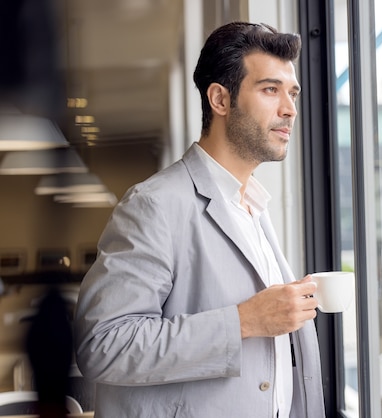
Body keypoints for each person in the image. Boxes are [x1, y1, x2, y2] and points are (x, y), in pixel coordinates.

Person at [74, 21, 325, 418]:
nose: (290, 109)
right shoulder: (154, 205)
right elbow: (104, 345)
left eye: (292, 92)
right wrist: (243, 321)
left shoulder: (254, 205)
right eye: (270, 89)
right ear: (220, 100)